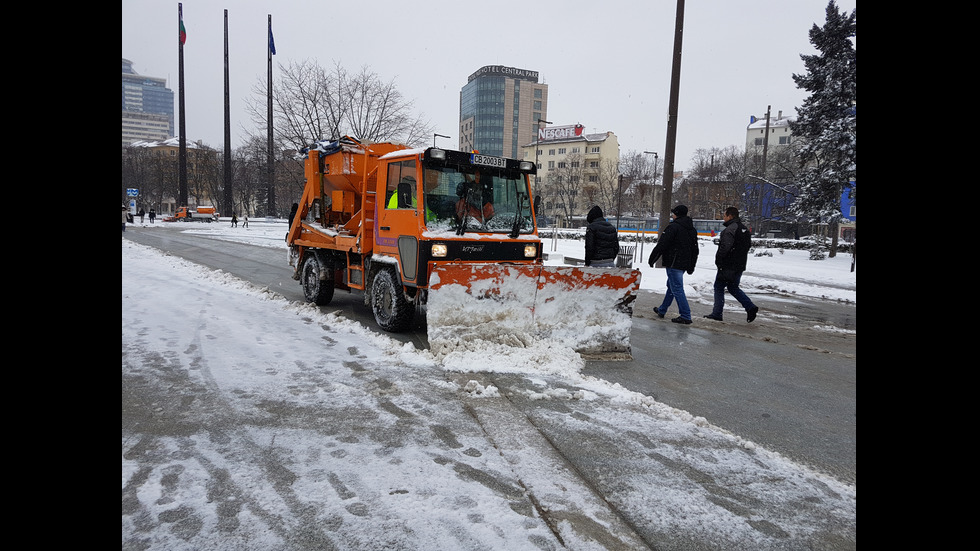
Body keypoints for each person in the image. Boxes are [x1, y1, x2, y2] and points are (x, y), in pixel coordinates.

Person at [705, 207, 759, 323]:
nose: (723, 218)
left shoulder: (729, 230)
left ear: (730, 216)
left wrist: (719, 260)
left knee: (718, 287)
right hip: (739, 264)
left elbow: (725, 248)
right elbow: (747, 246)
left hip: (728, 265)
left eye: (724, 216)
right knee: (733, 287)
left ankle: (717, 313)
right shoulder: (744, 229)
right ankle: (750, 307)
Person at [648, 204, 699, 324]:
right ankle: (662, 309)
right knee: (671, 286)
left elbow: (662, 244)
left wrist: (653, 258)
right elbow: (695, 249)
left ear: (676, 214)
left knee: (677, 288)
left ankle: (686, 315)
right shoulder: (691, 229)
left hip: (673, 262)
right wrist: (691, 265)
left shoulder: (673, 227)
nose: (672, 215)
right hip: (683, 263)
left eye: (673, 213)